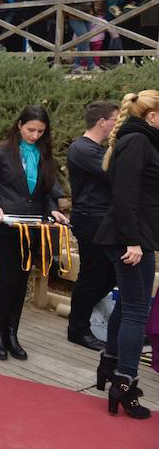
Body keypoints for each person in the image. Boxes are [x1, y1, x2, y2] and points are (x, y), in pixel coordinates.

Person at [93, 90, 159, 419]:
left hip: (136, 237)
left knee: (129, 306)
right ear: (152, 116)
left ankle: (109, 365)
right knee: (137, 311)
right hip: (129, 240)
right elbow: (125, 194)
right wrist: (132, 241)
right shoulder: (138, 142)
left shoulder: (142, 140)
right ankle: (125, 383)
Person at [0, 105, 68, 361]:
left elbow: (47, 191)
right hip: (4, 224)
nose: (34, 135)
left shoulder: (44, 155)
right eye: (31, 129)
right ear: (19, 124)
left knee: (22, 280)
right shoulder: (0, 153)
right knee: (10, 277)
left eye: (40, 131)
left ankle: (12, 333)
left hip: (32, 225)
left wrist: (54, 210)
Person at [67, 101, 120, 350]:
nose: (116, 125)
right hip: (90, 220)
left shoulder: (97, 148)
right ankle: (77, 330)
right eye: (115, 120)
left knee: (110, 274)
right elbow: (114, 173)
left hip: (103, 220)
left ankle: (84, 315)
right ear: (102, 121)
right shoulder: (83, 149)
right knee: (91, 275)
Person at [67, 0, 97, 71]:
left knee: (84, 39)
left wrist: (93, 9)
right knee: (84, 38)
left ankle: (77, 64)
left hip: (87, 11)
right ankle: (91, 65)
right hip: (75, 12)